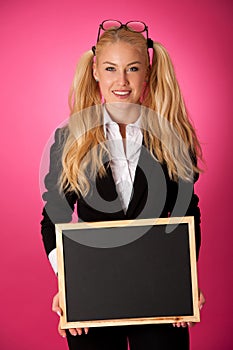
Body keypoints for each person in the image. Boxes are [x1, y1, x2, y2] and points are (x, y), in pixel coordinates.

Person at [41, 20, 205, 350]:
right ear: (96, 72)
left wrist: (185, 278)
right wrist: (70, 282)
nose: (122, 80)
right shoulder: (70, 138)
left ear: (148, 72)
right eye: (111, 68)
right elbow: (53, 218)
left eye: (132, 68)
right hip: (93, 291)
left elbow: (186, 213)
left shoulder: (171, 137)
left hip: (158, 288)